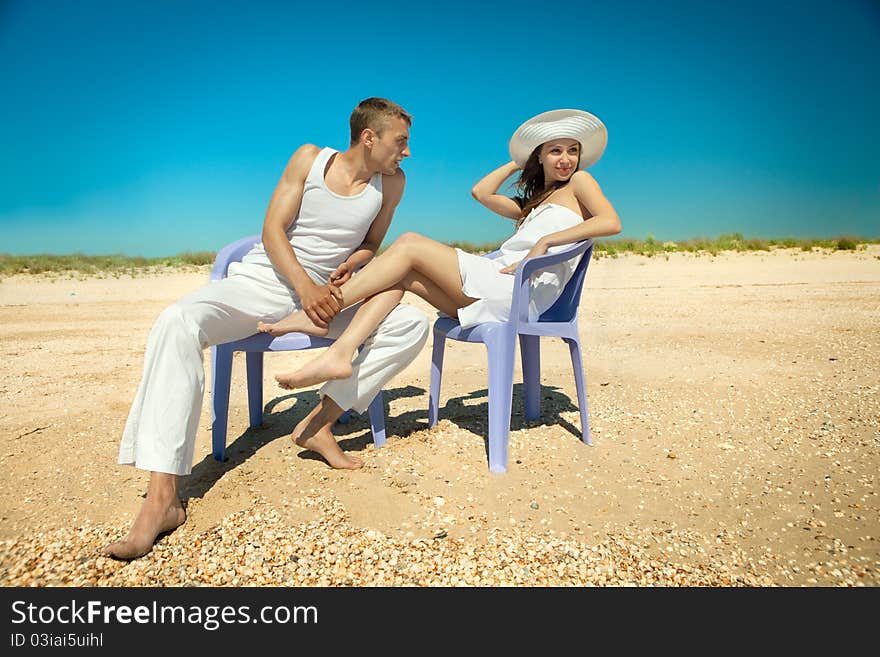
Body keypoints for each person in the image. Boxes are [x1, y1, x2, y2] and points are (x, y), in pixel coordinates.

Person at [102, 98, 430, 560]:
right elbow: (272, 230)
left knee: (413, 322)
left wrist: (352, 264)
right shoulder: (309, 159)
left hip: (333, 298)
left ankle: (319, 423)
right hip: (266, 282)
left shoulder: (391, 184)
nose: (408, 152)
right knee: (177, 321)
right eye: (402, 141)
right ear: (369, 136)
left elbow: (373, 243)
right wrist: (304, 287)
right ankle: (161, 498)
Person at [257, 109, 621, 392]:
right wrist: (521, 158)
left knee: (410, 243)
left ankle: (320, 312)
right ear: (540, 157)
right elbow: (481, 193)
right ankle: (340, 352)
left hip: (519, 292)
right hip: (496, 286)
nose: (566, 159)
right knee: (401, 275)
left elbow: (610, 222)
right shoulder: (534, 203)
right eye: (555, 151)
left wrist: (547, 241)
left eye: (572, 151)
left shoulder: (580, 183)